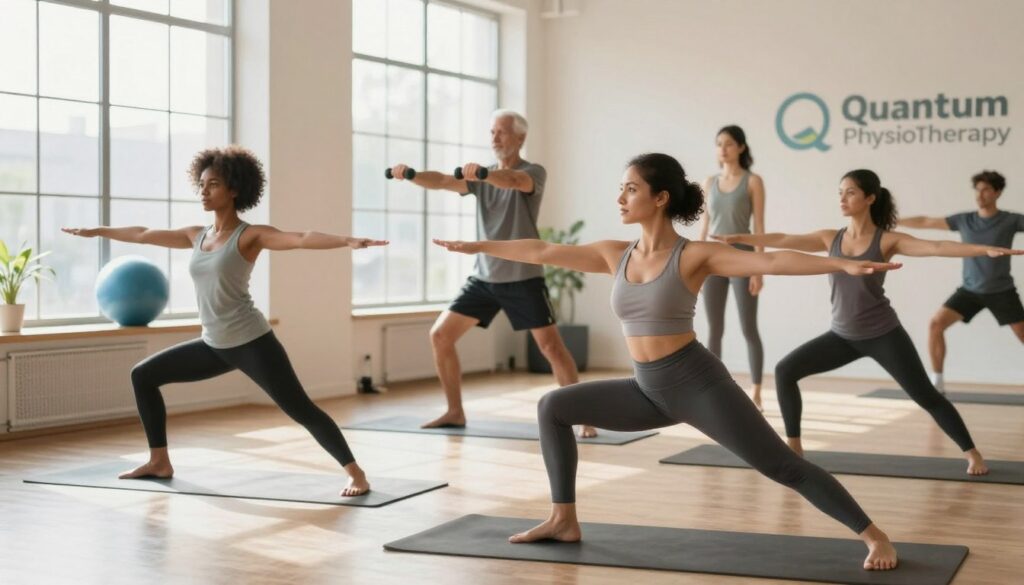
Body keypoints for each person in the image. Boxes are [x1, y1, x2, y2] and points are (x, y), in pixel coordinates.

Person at [435, 153, 900, 570]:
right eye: (621, 187)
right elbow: (540, 250)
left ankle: (874, 536)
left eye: (631, 188)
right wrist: (478, 248)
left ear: (659, 198)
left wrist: (843, 265)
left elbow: (773, 262)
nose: (620, 197)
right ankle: (563, 519)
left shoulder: (693, 255)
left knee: (782, 466)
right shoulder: (614, 254)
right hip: (646, 389)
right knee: (553, 407)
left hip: (698, 385)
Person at [64, 145, 386, 497]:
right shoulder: (195, 236)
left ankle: (356, 473)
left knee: (301, 409)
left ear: (234, 189)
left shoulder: (249, 236)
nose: (204, 191)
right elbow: (142, 233)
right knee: (143, 375)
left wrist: (347, 241)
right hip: (214, 344)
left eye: (213, 184)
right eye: (201, 184)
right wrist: (98, 231)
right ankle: (159, 461)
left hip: (252, 343)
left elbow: (300, 238)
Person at [715, 169, 1022, 475]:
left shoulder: (886, 239)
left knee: (926, 396)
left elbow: (937, 247)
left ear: (870, 198)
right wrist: (740, 237)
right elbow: (784, 239)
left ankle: (973, 454)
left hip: (883, 335)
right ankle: (795, 447)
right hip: (842, 337)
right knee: (785, 371)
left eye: (850, 192)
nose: (842, 198)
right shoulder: (829, 237)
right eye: (840, 192)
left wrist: (983, 249)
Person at [390, 109, 596, 438]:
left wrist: (483, 175)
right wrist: (412, 174)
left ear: (520, 138)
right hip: (484, 279)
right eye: (491, 133)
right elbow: (442, 181)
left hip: (523, 278)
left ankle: (582, 417)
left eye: (501, 132)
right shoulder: (479, 179)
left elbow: (514, 181)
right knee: (440, 336)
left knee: (552, 348)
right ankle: (454, 412)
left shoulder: (533, 172)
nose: (495, 138)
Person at [899, 170, 1024, 392]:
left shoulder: (1010, 220)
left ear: (997, 192)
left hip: (1002, 291)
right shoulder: (964, 220)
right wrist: (893, 220)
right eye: (977, 190)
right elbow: (926, 221)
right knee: (935, 325)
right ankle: (937, 382)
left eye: (986, 190)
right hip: (970, 291)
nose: (980, 195)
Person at [698, 125, 766, 409]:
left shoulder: (753, 181)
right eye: (718, 144)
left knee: (749, 328)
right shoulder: (709, 182)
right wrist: (696, 263)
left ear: (740, 147)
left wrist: (759, 268)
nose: (722, 148)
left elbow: (760, 227)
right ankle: (714, 390)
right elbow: (704, 226)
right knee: (714, 329)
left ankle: (757, 391)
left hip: (742, 257)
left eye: (728, 143)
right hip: (713, 259)